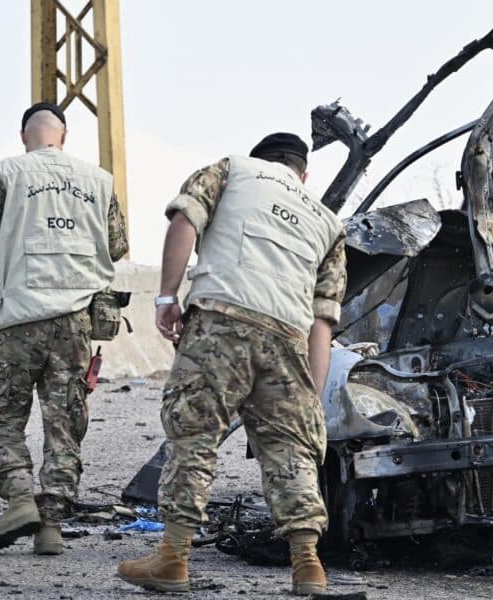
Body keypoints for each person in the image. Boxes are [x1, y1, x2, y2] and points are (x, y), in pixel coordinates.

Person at [116, 133, 346, 595]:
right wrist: (311, 401)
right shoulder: (327, 222)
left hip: (222, 318)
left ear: (261, 159)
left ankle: (173, 559)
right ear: (303, 175)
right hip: (289, 338)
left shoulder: (232, 169)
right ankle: (308, 566)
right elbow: (324, 322)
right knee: (292, 452)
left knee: (194, 433)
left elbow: (186, 218)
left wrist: (166, 297)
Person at [0, 102, 129, 555]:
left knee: (2, 413)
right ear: (64, 137)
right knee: (64, 422)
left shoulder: (8, 173)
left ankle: (18, 499)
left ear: (23, 135)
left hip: (18, 320)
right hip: (74, 321)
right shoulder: (99, 180)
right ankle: (50, 524)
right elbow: (116, 246)